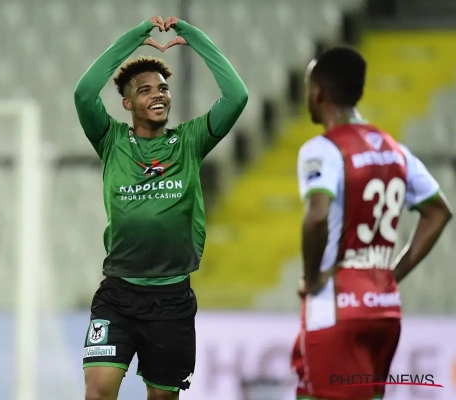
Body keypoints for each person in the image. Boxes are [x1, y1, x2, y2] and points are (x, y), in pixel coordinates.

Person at [74, 15, 248, 400]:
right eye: (145, 90)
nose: (158, 95)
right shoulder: (111, 140)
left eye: (163, 88)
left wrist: (194, 37)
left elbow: (236, 96)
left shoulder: (189, 141)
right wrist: (135, 37)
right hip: (118, 293)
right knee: (98, 392)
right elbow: (84, 93)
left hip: (172, 300)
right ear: (127, 103)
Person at [291, 46, 453, 400]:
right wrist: (392, 275)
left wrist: (311, 277)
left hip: (335, 306)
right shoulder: (395, 150)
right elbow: (439, 212)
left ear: (318, 92)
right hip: (384, 307)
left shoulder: (323, 149)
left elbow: (316, 216)